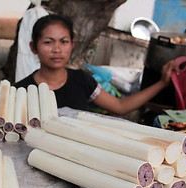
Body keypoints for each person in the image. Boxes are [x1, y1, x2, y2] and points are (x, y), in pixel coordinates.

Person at [14, 14, 176, 115]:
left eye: (64, 42)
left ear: (72, 45)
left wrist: (162, 83)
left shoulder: (81, 80)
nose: (57, 49)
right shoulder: (20, 91)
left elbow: (119, 106)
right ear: (33, 47)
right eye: (48, 42)